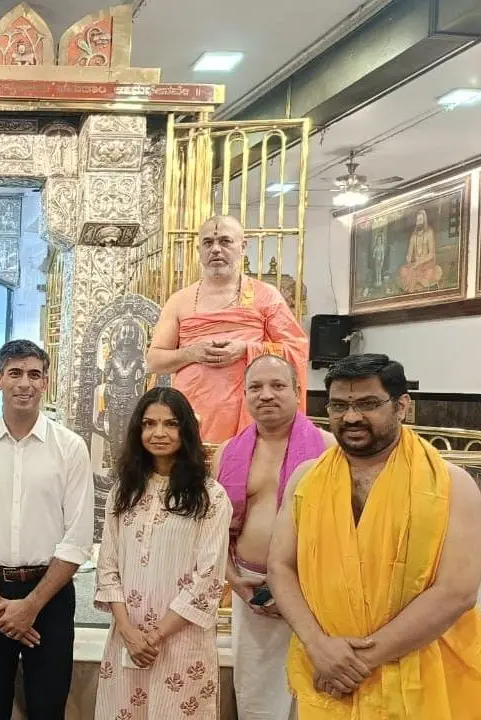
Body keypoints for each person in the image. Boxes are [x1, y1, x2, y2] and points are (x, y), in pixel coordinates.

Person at [267, 354, 481, 718]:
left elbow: (456, 592)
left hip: (422, 676)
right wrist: (318, 647)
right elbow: (280, 566)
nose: (352, 417)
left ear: (402, 405)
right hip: (328, 669)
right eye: (339, 405)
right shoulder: (307, 479)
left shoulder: (452, 484)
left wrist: (359, 661)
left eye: (368, 404)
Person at [0, 339, 93, 720]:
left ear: (46, 382)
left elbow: (77, 541)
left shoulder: (71, 448)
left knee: (47, 709)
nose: (24, 383)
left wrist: (30, 607)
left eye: (34, 374)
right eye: (14, 373)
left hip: (50, 596)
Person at [94, 387, 230, 720]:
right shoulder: (124, 491)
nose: (158, 433)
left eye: (170, 424)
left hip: (182, 641)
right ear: (137, 430)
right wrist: (127, 631)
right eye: (149, 423)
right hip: (128, 639)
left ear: (186, 430)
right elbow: (108, 564)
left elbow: (208, 579)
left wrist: (154, 636)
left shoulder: (210, 496)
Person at [213, 355, 333, 720]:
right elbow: (214, 531)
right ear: (245, 395)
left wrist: (298, 588)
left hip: (314, 592)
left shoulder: (329, 449)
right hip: (252, 592)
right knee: (257, 694)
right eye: (256, 387)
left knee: (313, 691)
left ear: (298, 392)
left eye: (278, 386)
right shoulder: (227, 452)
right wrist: (235, 581)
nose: (266, 395)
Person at [146, 215, 309, 443]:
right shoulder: (179, 301)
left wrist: (245, 350)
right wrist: (191, 353)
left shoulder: (265, 296)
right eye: (208, 243)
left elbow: (296, 348)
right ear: (198, 250)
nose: (215, 250)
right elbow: (154, 360)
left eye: (225, 241)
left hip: (252, 411)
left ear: (242, 247)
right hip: (191, 410)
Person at [397, 209, 444, 293]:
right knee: (403, 270)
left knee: (429, 273)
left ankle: (411, 289)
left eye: (421, 220)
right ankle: (414, 287)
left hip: (426, 264)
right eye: (417, 220)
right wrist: (409, 260)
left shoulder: (429, 232)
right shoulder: (413, 236)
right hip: (415, 265)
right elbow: (409, 254)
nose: (419, 222)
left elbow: (431, 254)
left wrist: (420, 262)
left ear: (424, 220)